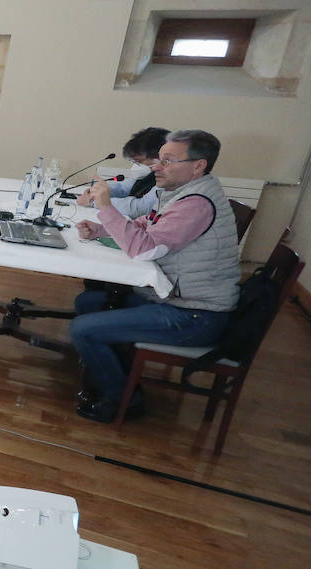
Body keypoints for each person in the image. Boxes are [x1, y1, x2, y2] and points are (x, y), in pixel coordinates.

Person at [70, 130, 242, 422]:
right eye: (159, 159)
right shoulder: (185, 193)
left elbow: (144, 248)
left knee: (83, 328)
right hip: (178, 299)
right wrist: (101, 228)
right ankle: (108, 367)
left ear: (198, 165)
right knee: (89, 302)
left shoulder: (196, 204)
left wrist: (105, 208)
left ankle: (125, 398)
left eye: (168, 160)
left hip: (196, 315)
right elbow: (147, 225)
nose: (156, 167)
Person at [77, 126, 169, 220]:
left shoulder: (171, 179)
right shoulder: (149, 174)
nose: (136, 166)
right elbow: (123, 189)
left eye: (139, 162)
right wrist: (97, 191)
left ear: (159, 157)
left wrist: (96, 202)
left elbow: (140, 208)